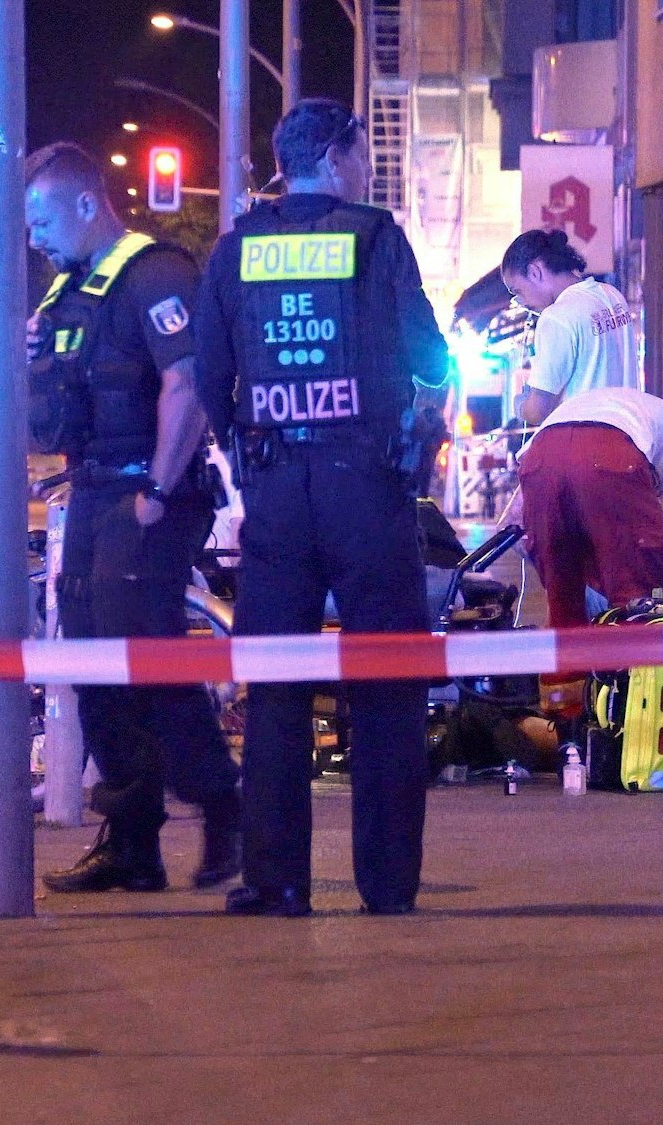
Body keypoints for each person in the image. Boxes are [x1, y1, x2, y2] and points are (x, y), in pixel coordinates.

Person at [194, 98, 451, 917]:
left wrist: (244, 447)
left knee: (274, 683)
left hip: (275, 488)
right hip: (367, 485)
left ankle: (276, 879)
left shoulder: (236, 251)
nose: (365, 169)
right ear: (338, 157)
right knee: (388, 679)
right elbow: (429, 353)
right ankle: (386, 883)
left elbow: (209, 373)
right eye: (362, 154)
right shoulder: (375, 238)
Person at [23, 141, 240, 894]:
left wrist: (156, 487)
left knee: (142, 656)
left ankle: (222, 806)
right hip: (91, 493)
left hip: (149, 497)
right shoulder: (68, 295)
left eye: (43, 219)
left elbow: (188, 382)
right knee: (90, 663)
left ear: (87, 203)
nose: (34, 238)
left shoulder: (156, 273)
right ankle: (132, 842)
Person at [519, 385, 663, 627]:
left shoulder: (648, 418)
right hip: (610, 451)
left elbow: (518, 527)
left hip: (541, 453)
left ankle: (570, 661)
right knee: (641, 604)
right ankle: (636, 660)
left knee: (564, 608)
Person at [500, 230, 638, 425]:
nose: (520, 302)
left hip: (586, 442)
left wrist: (520, 404)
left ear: (534, 272)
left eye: (517, 291)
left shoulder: (557, 317)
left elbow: (537, 411)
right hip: (630, 435)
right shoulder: (612, 295)